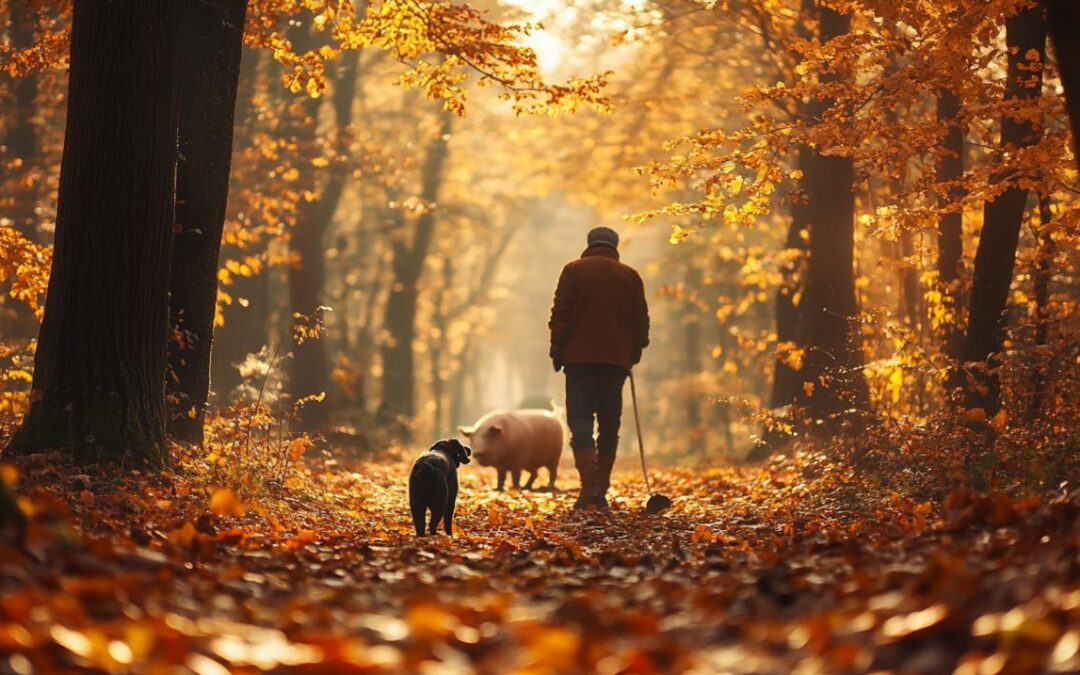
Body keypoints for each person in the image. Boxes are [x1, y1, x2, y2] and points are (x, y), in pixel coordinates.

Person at [548, 226, 650, 511]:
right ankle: (600, 489)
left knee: (580, 421)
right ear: (614, 246)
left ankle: (589, 487)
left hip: (578, 360)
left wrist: (557, 346)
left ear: (590, 244)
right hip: (615, 362)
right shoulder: (630, 276)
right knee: (609, 425)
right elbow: (641, 319)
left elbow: (561, 311)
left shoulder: (573, 270)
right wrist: (636, 349)